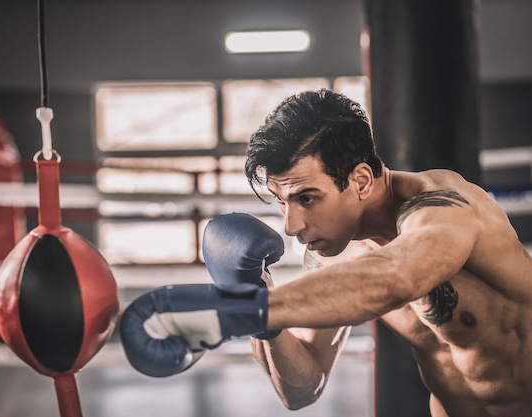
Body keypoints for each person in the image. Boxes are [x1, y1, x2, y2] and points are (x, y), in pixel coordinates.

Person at [118, 89, 532, 417]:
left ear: (362, 179)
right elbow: (302, 389)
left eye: (307, 198)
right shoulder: (338, 251)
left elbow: (397, 277)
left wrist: (229, 311)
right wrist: (264, 318)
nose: (291, 227)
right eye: (282, 202)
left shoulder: (445, 208)